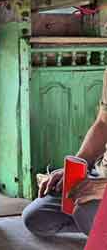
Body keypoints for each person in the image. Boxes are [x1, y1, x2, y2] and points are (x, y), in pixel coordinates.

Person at [23, 68, 107, 236]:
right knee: (37, 218)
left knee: (86, 213)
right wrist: (75, 169)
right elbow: (103, 124)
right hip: (100, 174)